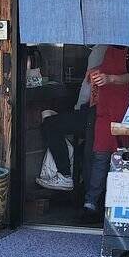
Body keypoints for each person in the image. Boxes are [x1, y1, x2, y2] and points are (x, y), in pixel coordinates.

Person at [35, 45, 107, 191]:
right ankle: (73, 171)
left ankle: (65, 174)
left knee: (50, 125)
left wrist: (80, 105)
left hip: (92, 111)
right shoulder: (103, 49)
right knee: (54, 123)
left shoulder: (100, 50)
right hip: (95, 110)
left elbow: (90, 84)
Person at [81, 45, 129, 222]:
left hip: (126, 111)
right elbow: (102, 71)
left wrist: (111, 78)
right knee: (100, 157)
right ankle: (91, 203)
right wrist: (95, 73)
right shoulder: (107, 49)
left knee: (123, 158)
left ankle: (119, 204)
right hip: (104, 111)